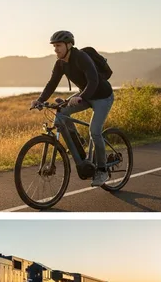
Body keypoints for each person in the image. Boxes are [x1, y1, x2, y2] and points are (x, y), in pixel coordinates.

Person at [31, 30, 115, 186]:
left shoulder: (81, 58)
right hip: (86, 95)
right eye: (54, 46)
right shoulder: (60, 63)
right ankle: (79, 143)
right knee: (62, 112)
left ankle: (102, 171)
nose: (56, 49)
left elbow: (94, 80)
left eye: (59, 46)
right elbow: (52, 83)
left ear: (69, 45)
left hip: (103, 96)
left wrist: (81, 97)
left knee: (95, 131)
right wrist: (40, 100)